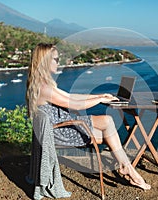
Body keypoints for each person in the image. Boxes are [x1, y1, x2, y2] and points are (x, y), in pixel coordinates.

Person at [26, 43, 151, 190]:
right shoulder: (44, 88)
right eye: (56, 59)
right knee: (107, 122)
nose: (58, 62)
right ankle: (128, 168)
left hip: (59, 128)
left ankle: (127, 167)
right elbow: (74, 104)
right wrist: (99, 100)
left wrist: (99, 95)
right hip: (59, 131)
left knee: (109, 134)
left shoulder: (42, 84)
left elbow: (71, 96)